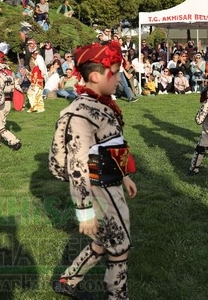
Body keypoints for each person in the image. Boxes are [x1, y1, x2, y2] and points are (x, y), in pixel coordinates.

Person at [49, 40, 137, 300]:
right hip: (98, 191)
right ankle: (117, 296)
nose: (119, 77)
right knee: (120, 246)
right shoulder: (80, 113)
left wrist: (126, 175)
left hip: (111, 184)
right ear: (97, 76)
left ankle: (68, 280)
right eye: (116, 72)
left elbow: (113, 146)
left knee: (103, 241)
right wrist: (85, 212)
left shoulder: (102, 104)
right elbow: (77, 167)